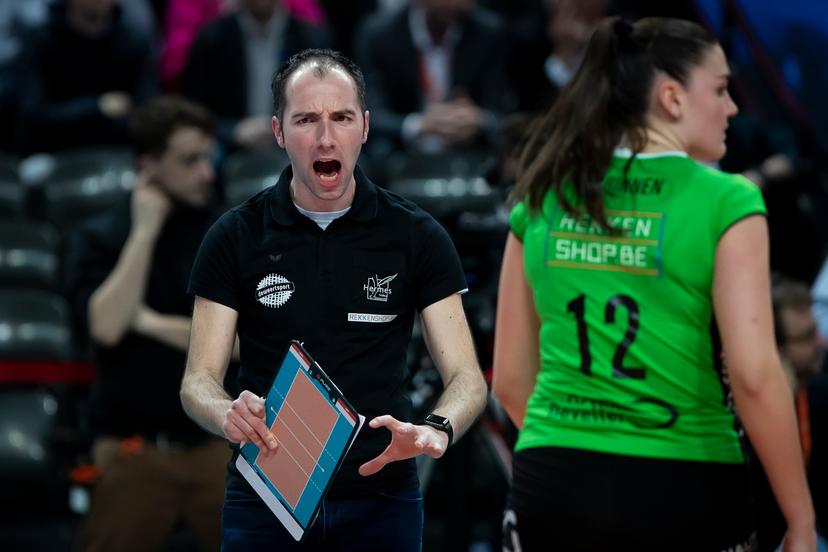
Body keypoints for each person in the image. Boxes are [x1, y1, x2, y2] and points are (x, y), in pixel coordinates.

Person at [491, 17, 816, 551]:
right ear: (672, 98)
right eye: (720, 89)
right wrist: (801, 521)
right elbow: (755, 375)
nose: (733, 107)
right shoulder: (726, 200)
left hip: (552, 479)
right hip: (683, 480)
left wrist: (577, 452)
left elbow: (508, 379)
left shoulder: (543, 194)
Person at [180, 48, 487, 550]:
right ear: (278, 132)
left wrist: (436, 429)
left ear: (365, 127)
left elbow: (467, 378)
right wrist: (225, 412)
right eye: (306, 119)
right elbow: (198, 381)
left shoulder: (416, 236)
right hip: (267, 499)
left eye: (341, 117)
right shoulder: (234, 235)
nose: (326, 137)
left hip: (382, 499)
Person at [66, 96, 228, 552]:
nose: (206, 173)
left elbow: (238, 343)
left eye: (208, 157)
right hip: (131, 444)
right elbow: (108, 327)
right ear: (149, 165)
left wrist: (151, 323)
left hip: (217, 440)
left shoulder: (224, 231)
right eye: (189, 161)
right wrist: (143, 231)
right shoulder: (102, 235)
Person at [353, 0, 514, 159]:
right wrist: (417, 125)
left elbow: (504, 111)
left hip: (468, 155)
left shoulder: (487, 32)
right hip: (402, 155)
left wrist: (478, 119)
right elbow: (369, 113)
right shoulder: (380, 34)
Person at [183, 0, 332, 152]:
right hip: (229, 147)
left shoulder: (312, 39)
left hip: (294, 144)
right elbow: (195, 111)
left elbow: (326, 107)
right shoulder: (212, 38)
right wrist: (233, 131)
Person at [18, 0, 157, 154]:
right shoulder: (42, 40)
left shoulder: (133, 40)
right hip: (54, 153)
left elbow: (147, 113)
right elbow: (34, 117)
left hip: (117, 151)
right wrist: (99, 106)